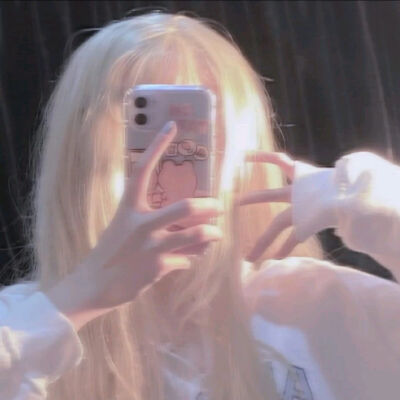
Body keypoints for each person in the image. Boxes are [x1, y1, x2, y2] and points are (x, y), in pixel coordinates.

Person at [1, 10, 399, 400]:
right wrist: (82, 294)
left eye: (197, 130)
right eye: (143, 129)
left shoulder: (312, 302)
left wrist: (369, 199)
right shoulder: (23, 325)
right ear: (82, 156)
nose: (169, 158)